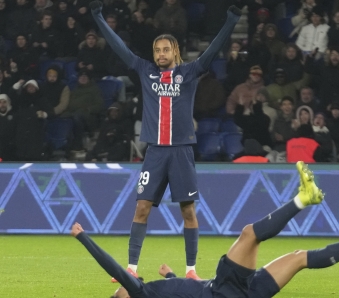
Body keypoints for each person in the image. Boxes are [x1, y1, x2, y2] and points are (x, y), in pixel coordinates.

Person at [71, 161, 339, 298]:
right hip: (224, 291)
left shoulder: (152, 290)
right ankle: (304, 198)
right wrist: (83, 237)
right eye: (120, 290)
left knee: (300, 257)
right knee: (250, 233)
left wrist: (170, 276)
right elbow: (111, 266)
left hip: (234, 293)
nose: (123, 286)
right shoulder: (140, 294)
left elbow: (185, 292)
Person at [89, 0, 242, 281]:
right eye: (157, 50)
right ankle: (131, 268)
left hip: (182, 151)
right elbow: (119, 48)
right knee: (142, 208)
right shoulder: (144, 71)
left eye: (166, 49)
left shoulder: (190, 72)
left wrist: (231, 22)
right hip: (155, 152)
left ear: (175, 52)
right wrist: (98, 18)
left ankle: (192, 271)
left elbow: (212, 50)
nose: (161, 54)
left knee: (188, 212)